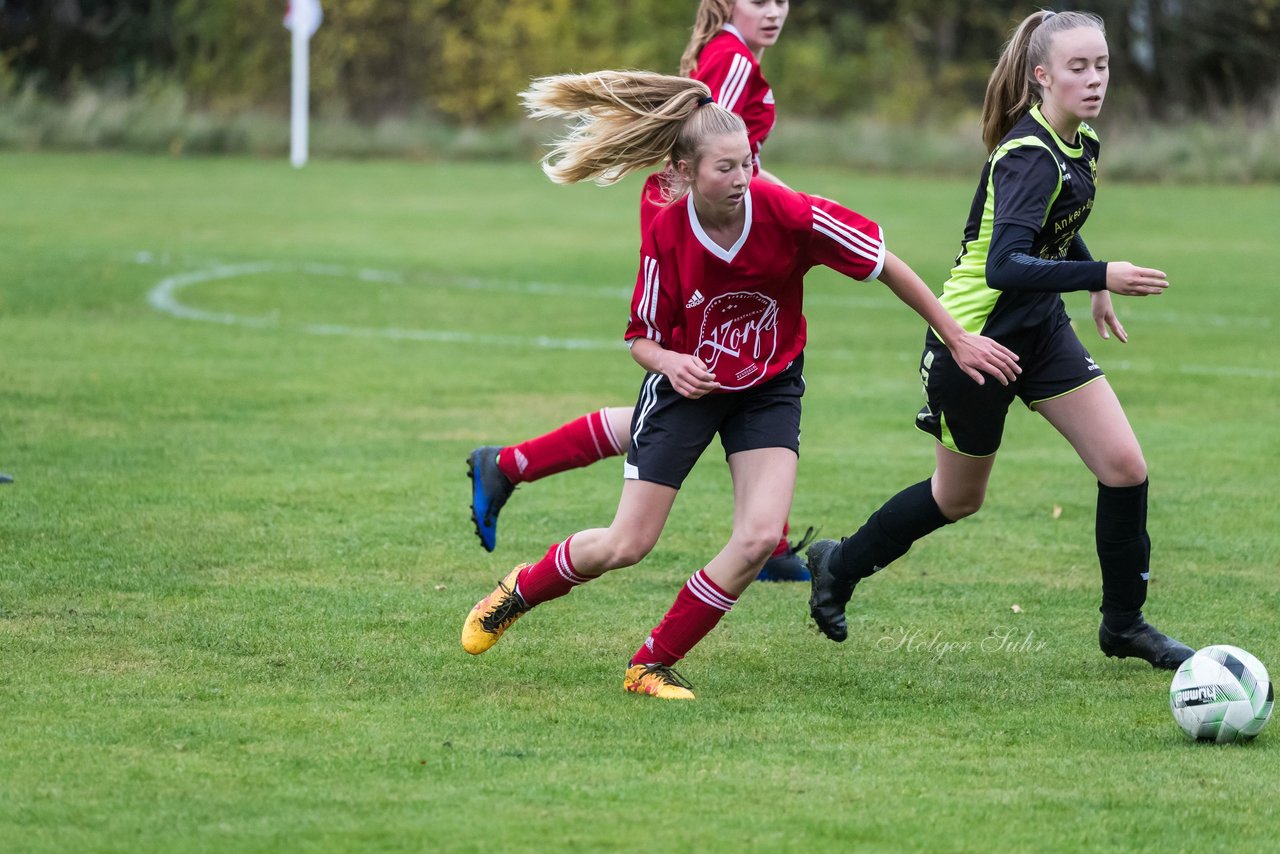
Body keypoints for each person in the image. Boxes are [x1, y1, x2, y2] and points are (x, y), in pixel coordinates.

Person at [461, 70, 1021, 700]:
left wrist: (955, 334)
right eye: (725, 168)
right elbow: (640, 337)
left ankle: (650, 664)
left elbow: (884, 263)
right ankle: (520, 590)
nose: (742, 179)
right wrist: (672, 364)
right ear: (685, 171)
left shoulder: (786, 211)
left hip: (769, 388)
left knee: (758, 538)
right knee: (626, 544)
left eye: (748, 163)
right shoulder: (668, 231)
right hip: (685, 393)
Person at [806, 10, 1195, 670]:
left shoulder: (1080, 142)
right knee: (959, 497)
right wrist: (1103, 274)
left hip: (1038, 331)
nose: (1094, 79)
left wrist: (1092, 280)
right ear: (1042, 76)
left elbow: (1056, 224)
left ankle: (1123, 625)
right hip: (974, 343)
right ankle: (837, 564)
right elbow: (1004, 264)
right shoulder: (1027, 156)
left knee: (1125, 468)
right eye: (1078, 68)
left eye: (1101, 65)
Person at [466, 0, 816, 582]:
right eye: (759, 0)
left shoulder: (736, 59)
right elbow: (721, 160)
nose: (775, 10)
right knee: (699, 386)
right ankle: (767, 542)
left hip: (696, 217)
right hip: (691, 224)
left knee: (697, 396)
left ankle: (508, 464)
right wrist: (790, 208)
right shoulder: (729, 60)